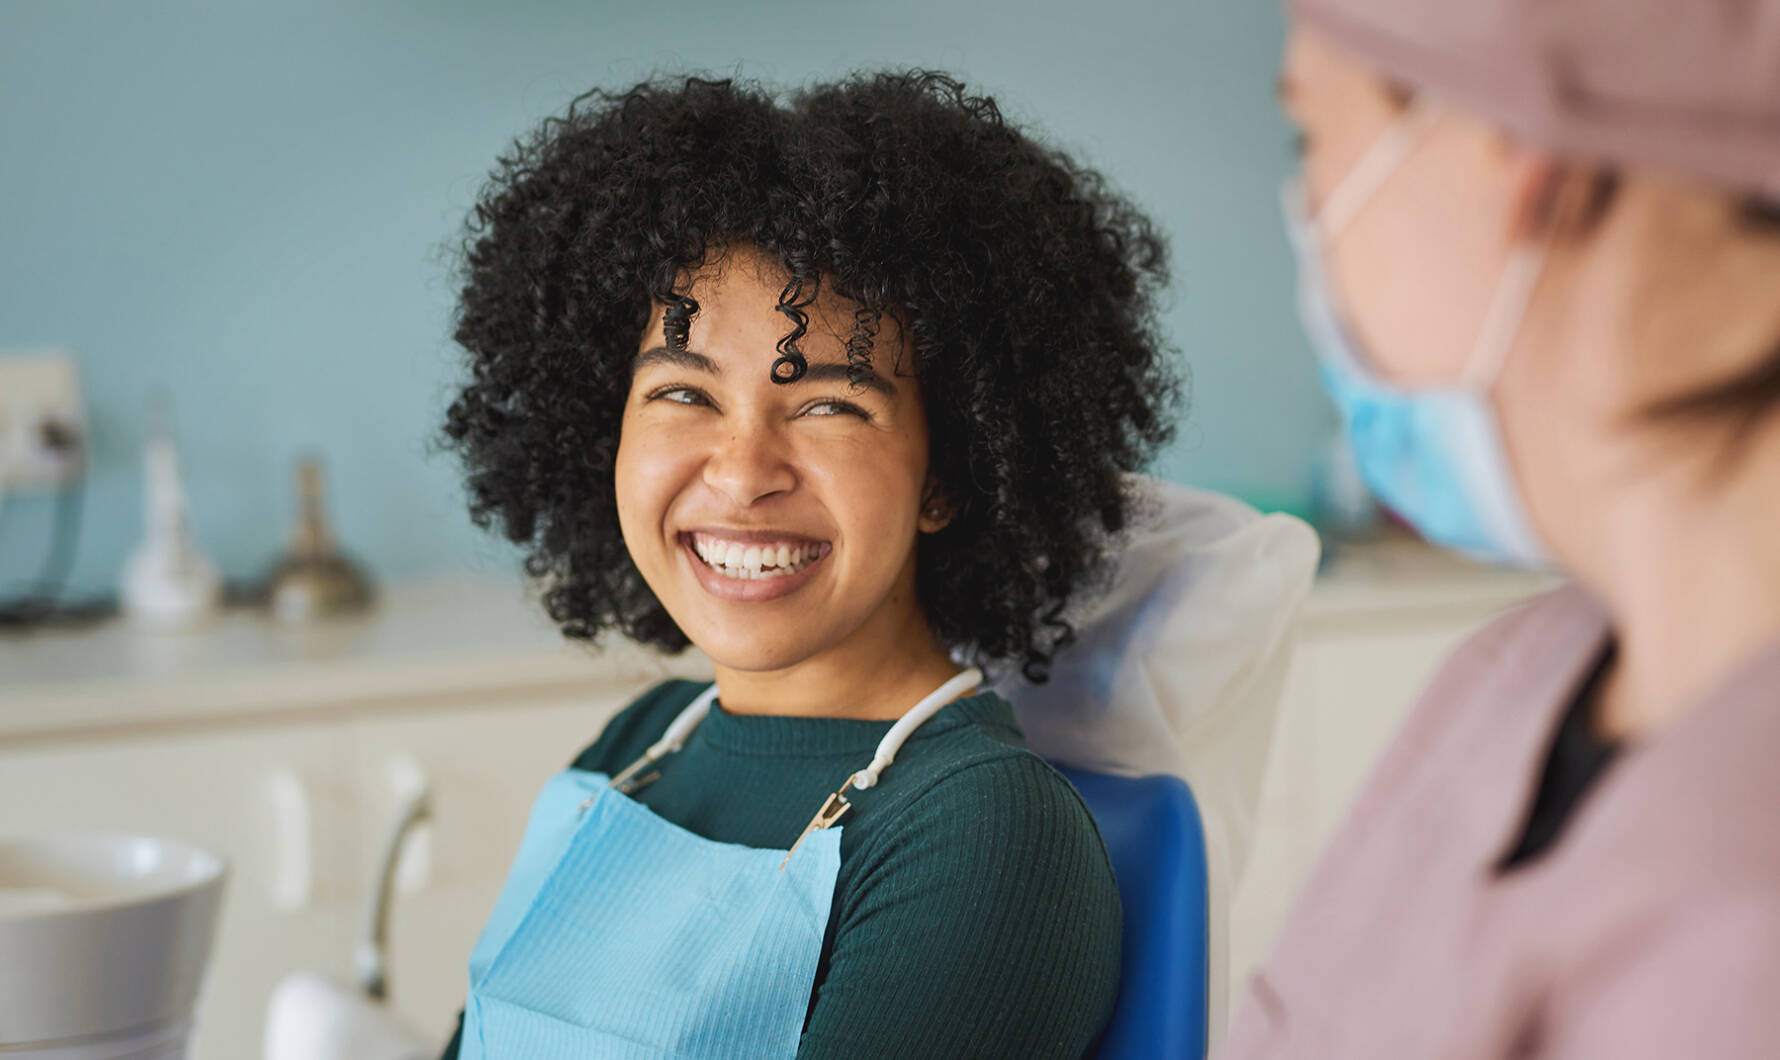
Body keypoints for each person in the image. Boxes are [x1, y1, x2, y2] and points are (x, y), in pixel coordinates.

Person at [437, 71, 1182, 1058]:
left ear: (946, 473)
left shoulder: (987, 837)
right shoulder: (642, 744)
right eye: (682, 394)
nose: (742, 474)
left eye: (830, 404)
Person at [1224, 1, 1780, 1056]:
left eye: (1312, 136)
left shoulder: (1745, 918)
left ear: (1510, 158)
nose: (1307, 208)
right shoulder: (1510, 677)